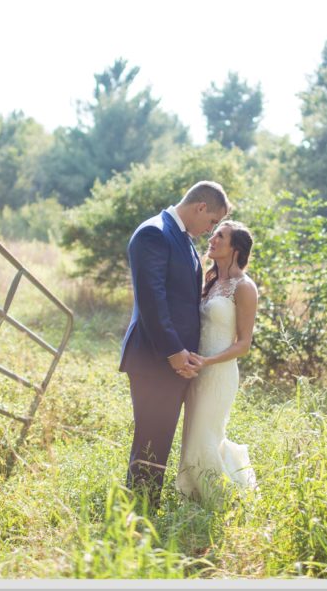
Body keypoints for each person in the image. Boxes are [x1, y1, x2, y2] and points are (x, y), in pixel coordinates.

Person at [119, 181, 230, 509]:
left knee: (161, 434)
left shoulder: (180, 237)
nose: (210, 230)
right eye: (211, 222)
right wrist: (173, 352)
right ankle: (140, 510)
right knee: (151, 437)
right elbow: (153, 300)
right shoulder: (154, 233)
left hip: (175, 360)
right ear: (200, 208)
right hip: (155, 358)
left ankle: (146, 505)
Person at [175, 220, 259, 505]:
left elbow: (244, 344)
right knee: (193, 433)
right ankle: (192, 493)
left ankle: (221, 499)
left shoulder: (245, 288)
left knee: (205, 433)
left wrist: (208, 361)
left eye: (220, 236)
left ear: (235, 248)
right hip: (196, 370)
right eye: (212, 234)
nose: (212, 239)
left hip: (219, 372)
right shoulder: (210, 281)